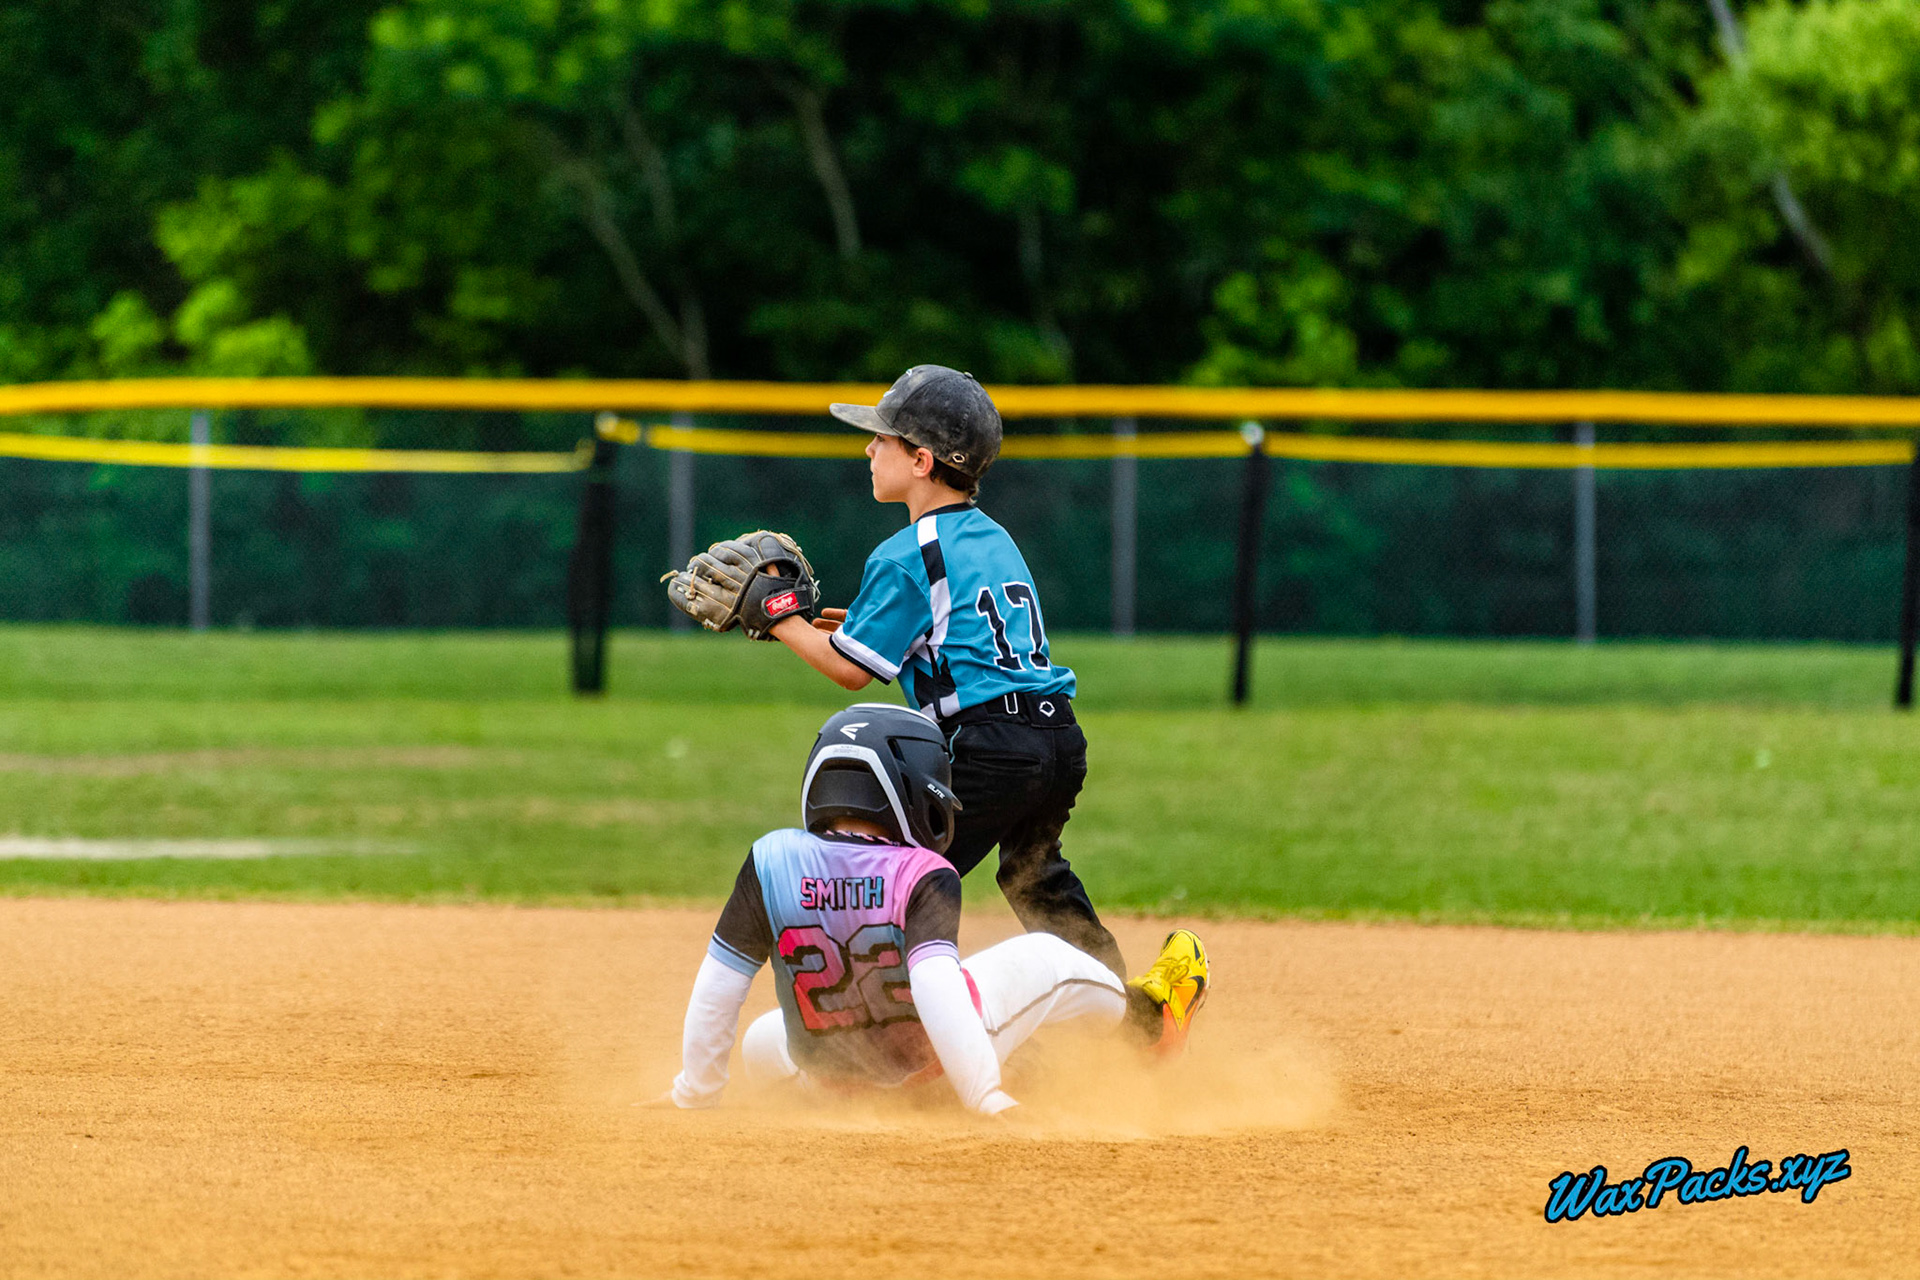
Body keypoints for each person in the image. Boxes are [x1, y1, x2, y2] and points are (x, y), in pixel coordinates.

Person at [653, 705, 1209, 1116]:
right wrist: (986, 1098)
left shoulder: (769, 858)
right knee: (1049, 957)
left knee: (761, 1038)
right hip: (938, 1066)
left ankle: (868, 1103)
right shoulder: (921, 871)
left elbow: (718, 986)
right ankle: (1156, 1024)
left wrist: (695, 1091)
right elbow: (938, 987)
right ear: (907, 786)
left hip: (834, 1077)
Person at [765, 365, 1128, 978]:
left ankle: (898, 1032)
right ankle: (1130, 1025)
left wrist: (776, 616)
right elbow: (955, 630)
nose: (869, 448)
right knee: (1033, 876)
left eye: (883, 437)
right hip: (1057, 739)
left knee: (897, 880)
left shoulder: (906, 552)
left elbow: (852, 673)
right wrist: (864, 627)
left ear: (922, 461)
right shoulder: (991, 536)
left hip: (992, 747)